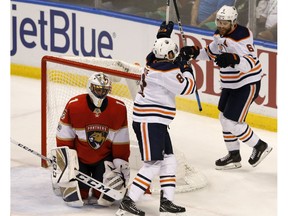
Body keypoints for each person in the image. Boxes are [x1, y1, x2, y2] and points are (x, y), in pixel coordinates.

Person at [116, 21, 195, 216]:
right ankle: (129, 200)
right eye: (173, 54)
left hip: (155, 121)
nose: (175, 56)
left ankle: (167, 201)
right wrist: (186, 66)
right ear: (168, 56)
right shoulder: (166, 72)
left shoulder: (151, 60)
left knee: (169, 159)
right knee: (153, 163)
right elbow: (188, 87)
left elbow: (159, 52)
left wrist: (162, 36)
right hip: (149, 121)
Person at [180, 5, 273, 170]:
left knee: (231, 122)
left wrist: (234, 59)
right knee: (224, 119)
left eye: (225, 23)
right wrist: (193, 52)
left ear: (233, 22)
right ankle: (234, 155)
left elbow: (250, 63)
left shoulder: (242, 36)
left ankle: (260, 146)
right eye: (220, 22)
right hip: (230, 83)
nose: (221, 26)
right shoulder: (218, 34)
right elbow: (210, 53)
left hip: (246, 83)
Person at [52, 72, 130, 207]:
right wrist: (65, 163)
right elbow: (64, 139)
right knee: (77, 197)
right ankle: (67, 179)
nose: (101, 93)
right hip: (79, 160)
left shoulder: (119, 108)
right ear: (90, 87)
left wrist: (121, 170)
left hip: (104, 160)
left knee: (103, 198)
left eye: (104, 90)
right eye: (98, 89)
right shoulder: (74, 105)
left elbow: (121, 144)